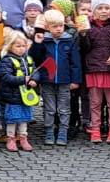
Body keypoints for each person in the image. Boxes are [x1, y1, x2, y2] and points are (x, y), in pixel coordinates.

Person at [31, 10, 81, 146]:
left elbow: (75, 62)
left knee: (64, 108)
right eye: (55, 26)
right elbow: (36, 58)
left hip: (64, 80)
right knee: (49, 108)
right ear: (47, 27)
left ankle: (63, 132)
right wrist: (37, 43)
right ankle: (49, 131)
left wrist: (75, 80)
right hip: (48, 80)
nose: (59, 29)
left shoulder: (69, 41)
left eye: (61, 26)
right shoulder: (44, 41)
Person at [81, 0, 110, 144]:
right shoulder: (88, 27)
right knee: (95, 102)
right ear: (94, 10)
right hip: (94, 69)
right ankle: (96, 129)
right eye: (100, 8)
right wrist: (83, 35)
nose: (104, 11)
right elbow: (85, 48)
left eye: (107, 8)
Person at [0, 30, 37, 153]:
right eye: (17, 46)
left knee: (24, 119)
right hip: (12, 96)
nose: (21, 49)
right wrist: (23, 79)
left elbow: (35, 71)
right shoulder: (7, 60)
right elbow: (6, 77)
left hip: (25, 96)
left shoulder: (28, 59)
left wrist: (34, 79)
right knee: (12, 119)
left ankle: (23, 137)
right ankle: (11, 138)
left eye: (23, 46)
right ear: (10, 46)